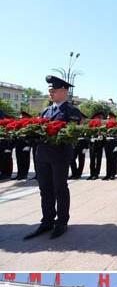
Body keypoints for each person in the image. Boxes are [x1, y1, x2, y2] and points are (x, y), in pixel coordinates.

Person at [24, 74, 83, 240]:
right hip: (42, 155)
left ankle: (62, 222)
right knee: (45, 189)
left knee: (59, 188)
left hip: (59, 155)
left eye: (54, 90)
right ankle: (47, 220)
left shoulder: (72, 112)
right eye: (50, 90)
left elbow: (72, 133)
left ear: (64, 91)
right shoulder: (46, 111)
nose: (51, 92)